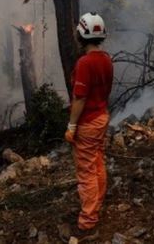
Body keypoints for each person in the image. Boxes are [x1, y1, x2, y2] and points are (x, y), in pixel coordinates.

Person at [64, 12, 113, 232]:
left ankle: (87, 223)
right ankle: (97, 205)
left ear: (81, 35)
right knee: (97, 162)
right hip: (102, 117)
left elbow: (80, 97)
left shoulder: (85, 63)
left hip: (88, 122)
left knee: (86, 171)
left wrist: (72, 125)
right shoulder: (106, 59)